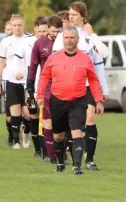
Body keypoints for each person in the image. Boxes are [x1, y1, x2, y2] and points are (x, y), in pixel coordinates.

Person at [36, 26, 105, 175]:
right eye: (66, 38)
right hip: (58, 101)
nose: (69, 41)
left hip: (78, 101)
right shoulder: (54, 58)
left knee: (77, 132)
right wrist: (40, 95)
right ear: (63, 40)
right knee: (58, 136)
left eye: (72, 38)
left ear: (77, 40)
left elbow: (93, 80)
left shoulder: (85, 59)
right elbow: (44, 77)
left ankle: (77, 166)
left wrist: (98, 100)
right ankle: (60, 162)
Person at [53, 1, 109, 170]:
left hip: (88, 85)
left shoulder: (89, 36)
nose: (71, 17)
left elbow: (102, 57)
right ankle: (72, 157)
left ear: (83, 16)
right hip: (68, 86)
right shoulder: (63, 35)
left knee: (90, 117)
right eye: (69, 15)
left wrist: (103, 89)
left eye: (74, 15)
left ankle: (90, 159)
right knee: (71, 125)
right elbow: (55, 60)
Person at [0, 15, 33, 150]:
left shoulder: (30, 39)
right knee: (14, 110)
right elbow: (0, 63)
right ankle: (16, 141)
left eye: (19, 25)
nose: (17, 28)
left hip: (27, 80)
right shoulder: (5, 42)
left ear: (23, 25)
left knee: (27, 113)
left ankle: (26, 132)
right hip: (10, 80)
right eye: (14, 25)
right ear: (11, 26)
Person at [27, 15, 63, 163]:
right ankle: (51, 156)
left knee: (62, 123)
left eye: (58, 31)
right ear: (48, 28)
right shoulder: (40, 44)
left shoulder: (64, 42)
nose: (55, 34)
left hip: (64, 87)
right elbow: (33, 66)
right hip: (48, 88)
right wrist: (29, 87)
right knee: (47, 122)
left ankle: (62, 153)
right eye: (53, 31)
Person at [23, 16, 49, 156]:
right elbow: (27, 66)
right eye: (40, 31)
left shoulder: (51, 44)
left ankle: (45, 147)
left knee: (45, 116)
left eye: (45, 31)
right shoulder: (28, 44)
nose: (42, 34)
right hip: (31, 83)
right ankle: (37, 149)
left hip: (46, 85)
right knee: (33, 115)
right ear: (35, 30)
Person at [0, 20, 13, 146]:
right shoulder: (1, 45)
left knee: (25, 111)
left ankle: (23, 132)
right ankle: (11, 134)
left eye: (11, 29)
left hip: (21, 80)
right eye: (8, 29)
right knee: (9, 114)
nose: (10, 31)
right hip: (7, 80)